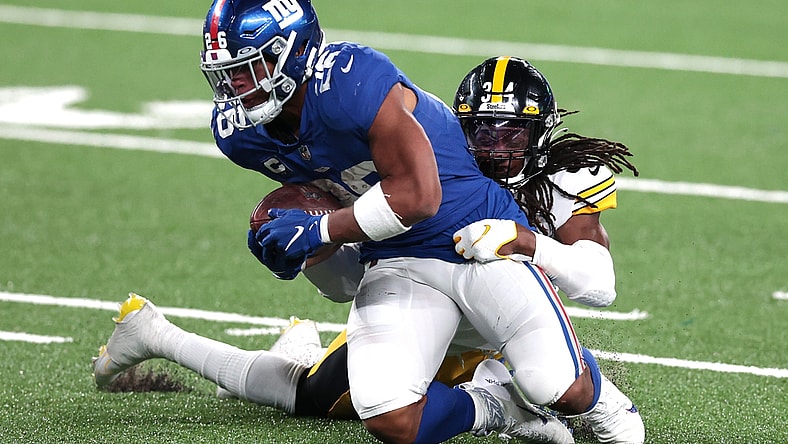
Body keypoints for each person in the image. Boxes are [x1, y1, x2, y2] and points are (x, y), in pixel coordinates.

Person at [92, 44, 643, 442]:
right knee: (319, 398)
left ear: (540, 132)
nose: (492, 147)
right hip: (419, 287)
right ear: (454, 125)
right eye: (477, 130)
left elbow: (599, 284)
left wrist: (527, 242)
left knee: (551, 379)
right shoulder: (423, 162)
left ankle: (589, 403)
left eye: (510, 134)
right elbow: (349, 275)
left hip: (501, 312)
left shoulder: (565, 177)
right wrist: (309, 249)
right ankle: (207, 340)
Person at [197, 0, 598, 442]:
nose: (236, 84)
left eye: (252, 66)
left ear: (293, 51)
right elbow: (337, 257)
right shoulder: (241, 136)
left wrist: (319, 231)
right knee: (386, 415)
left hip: (474, 238)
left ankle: (605, 400)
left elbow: (418, 196)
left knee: (564, 388)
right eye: (227, 71)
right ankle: (493, 405)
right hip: (393, 254)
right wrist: (301, 251)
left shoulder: (349, 81)